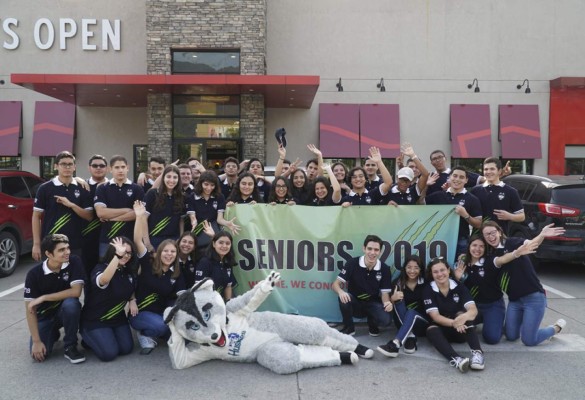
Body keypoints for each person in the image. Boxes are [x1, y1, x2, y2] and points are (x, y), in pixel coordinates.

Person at [481, 221, 567, 346]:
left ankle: (555, 328)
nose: (490, 236)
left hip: (534, 298)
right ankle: (528, 327)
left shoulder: (511, 242)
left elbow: (531, 244)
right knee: (511, 336)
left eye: (493, 232)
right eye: (486, 234)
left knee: (529, 340)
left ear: (499, 232)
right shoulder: (490, 256)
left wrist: (542, 234)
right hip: (515, 301)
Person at [132, 201, 186, 353]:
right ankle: (144, 333)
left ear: (176, 255)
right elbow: (137, 240)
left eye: (173, 252)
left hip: (162, 314)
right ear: (160, 252)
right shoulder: (148, 263)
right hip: (140, 313)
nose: (169, 255)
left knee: (178, 330)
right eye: (166, 251)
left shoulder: (176, 272)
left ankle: (152, 332)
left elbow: (181, 296)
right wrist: (139, 217)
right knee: (163, 327)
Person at [24, 234, 86, 364]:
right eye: (61, 250)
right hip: (44, 317)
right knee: (39, 356)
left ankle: (70, 346)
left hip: (64, 313)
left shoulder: (74, 261)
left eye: (68, 248)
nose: (67, 252)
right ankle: (52, 333)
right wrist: (36, 341)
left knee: (72, 305)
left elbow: (76, 292)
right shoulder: (34, 274)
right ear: (49, 254)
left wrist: (44, 297)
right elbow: (30, 310)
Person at [80, 236, 138, 362]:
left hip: (117, 318)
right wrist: (117, 257)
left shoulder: (128, 271)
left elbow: (130, 287)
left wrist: (132, 300)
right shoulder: (100, 268)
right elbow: (104, 280)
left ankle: (104, 337)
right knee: (109, 354)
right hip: (96, 319)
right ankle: (87, 337)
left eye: (129, 253)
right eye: (123, 252)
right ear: (113, 252)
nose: (126, 255)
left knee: (126, 349)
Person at [422, 257, 484, 373]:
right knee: (431, 329)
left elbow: (473, 310)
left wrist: (462, 318)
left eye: (442, 270)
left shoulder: (459, 286)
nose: (440, 274)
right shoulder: (428, 290)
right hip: (444, 331)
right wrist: (454, 323)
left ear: (448, 270)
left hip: (461, 330)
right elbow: (435, 317)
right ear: (431, 274)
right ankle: (457, 359)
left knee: (465, 316)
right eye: (435, 272)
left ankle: (478, 355)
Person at [32, 151, 93, 261]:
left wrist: (71, 205)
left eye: (70, 164)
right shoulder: (45, 188)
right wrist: (36, 244)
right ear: (56, 166)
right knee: (50, 277)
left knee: (73, 276)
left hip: (75, 244)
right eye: (63, 164)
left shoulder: (82, 188)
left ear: (74, 167)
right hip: (51, 243)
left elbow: (89, 216)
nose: (67, 167)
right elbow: (36, 216)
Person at [332, 235, 393, 336]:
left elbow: (385, 293)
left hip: (373, 303)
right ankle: (349, 328)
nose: (372, 253)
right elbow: (335, 284)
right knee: (343, 298)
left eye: (376, 250)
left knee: (386, 320)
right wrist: (341, 292)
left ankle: (372, 323)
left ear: (380, 252)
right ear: (364, 248)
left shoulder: (385, 269)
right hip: (355, 303)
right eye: (369, 249)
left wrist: (387, 303)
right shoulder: (352, 263)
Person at [453, 235, 505, 344]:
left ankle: (496, 321)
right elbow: (456, 291)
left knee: (492, 339)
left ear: (485, 248)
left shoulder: (490, 261)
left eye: (481, 246)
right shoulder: (462, 263)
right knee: (458, 332)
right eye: (474, 245)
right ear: (468, 246)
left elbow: (503, 258)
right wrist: (457, 279)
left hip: (492, 305)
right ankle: (480, 319)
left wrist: (517, 253)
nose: (477, 249)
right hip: (472, 307)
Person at [424, 166, 482, 262]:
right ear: (449, 178)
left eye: (461, 177)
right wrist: (426, 185)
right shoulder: (438, 195)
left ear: (466, 180)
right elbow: (419, 203)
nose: (457, 179)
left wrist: (466, 215)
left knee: (459, 270)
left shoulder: (472, 199)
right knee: (439, 268)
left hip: (461, 241)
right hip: (439, 240)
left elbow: (479, 224)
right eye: (455, 176)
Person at [377, 256, 429, 357]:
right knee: (398, 300)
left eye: (416, 267)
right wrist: (392, 299)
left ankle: (395, 344)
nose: (412, 271)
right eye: (409, 267)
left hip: (422, 323)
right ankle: (410, 337)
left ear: (421, 269)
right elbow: (387, 306)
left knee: (411, 312)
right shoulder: (397, 283)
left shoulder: (426, 283)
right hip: (402, 323)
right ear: (404, 268)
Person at [94, 155, 145, 258]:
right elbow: (101, 212)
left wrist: (110, 217)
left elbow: (137, 214)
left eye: (123, 167)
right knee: (106, 269)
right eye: (117, 167)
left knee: (130, 270)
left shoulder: (137, 189)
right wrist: (127, 210)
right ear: (110, 169)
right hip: (107, 240)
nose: (120, 170)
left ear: (128, 168)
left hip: (130, 240)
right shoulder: (102, 188)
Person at [471, 157, 525, 234]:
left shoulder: (510, 191)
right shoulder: (475, 190)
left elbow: (522, 216)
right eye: (486, 169)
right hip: (478, 238)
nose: (488, 172)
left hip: (500, 237)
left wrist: (509, 216)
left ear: (499, 171)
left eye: (492, 169)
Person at [187, 170, 239, 248]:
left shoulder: (219, 197)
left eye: (212, 185)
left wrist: (227, 223)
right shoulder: (192, 196)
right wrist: (194, 223)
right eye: (206, 184)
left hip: (213, 229)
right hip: (198, 230)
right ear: (201, 183)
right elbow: (193, 217)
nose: (209, 188)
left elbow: (219, 219)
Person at [143, 165, 185, 250]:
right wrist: (147, 243)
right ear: (163, 178)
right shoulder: (152, 194)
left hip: (174, 239)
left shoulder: (181, 196)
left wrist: (180, 239)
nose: (171, 180)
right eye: (168, 176)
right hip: (154, 239)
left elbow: (181, 220)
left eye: (175, 177)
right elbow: (143, 219)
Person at [81, 154, 108, 275]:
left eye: (102, 165)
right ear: (89, 168)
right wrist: (76, 179)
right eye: (95, 165)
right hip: (87, 241)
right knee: (87, 277)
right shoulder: (81, 186)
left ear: (107, 168)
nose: (98, 168)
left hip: (109, 239)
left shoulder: (114, 186)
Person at [197, 231, 238, 302]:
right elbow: (199, 289)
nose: (224, 246)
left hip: (220, 302)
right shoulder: (205, 262)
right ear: (213, 244)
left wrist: (228, 304)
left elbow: (228, 286)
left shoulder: (227, 262)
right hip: (205, 303)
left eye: (227, 243)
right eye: (221, 243)